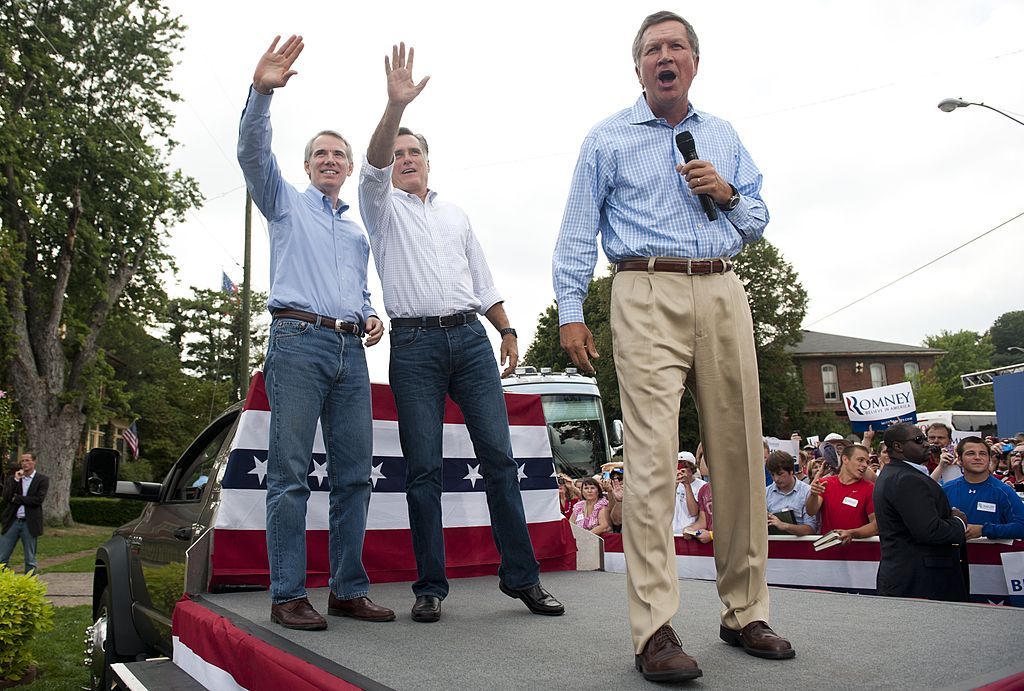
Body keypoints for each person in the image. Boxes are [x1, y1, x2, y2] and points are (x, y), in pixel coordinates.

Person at [552, 12, 792, 679]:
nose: (666, 56)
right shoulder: (606, 139)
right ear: (639, 69)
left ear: (693, 63)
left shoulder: (723, 135)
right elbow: (576, 232)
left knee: (741, 452)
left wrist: (728, 191)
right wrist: (571, 310)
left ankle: (746, 610)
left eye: (677, 47)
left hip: (721, 288)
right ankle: (654, 627)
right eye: (653, 48)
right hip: (644, 286)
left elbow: (756, 220)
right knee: (654, 461)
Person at [358, 42, 563, 624]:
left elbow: (483, 277)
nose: (404, 158)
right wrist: (394, 108)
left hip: (472, 341)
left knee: (499, 460)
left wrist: (507, 328)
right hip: (416, 347)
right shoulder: (381, 208)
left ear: (428, 160)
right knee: (423, 469)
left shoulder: (457, 214)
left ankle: (522, 580)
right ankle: (430, 587)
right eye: (397, 153)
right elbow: (371, 165)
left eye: (413, 151)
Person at [237, 35, 393, 631]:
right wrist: (261, 95)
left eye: (339, 155)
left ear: (349, 169)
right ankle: (288, 593)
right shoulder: (284, 204)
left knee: (355, 474)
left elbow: (357, 289)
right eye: (320, 154)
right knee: (291, 474)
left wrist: (369, 312)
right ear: (307, 166)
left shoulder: (357, 234)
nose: (330, 161)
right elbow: (254, 154)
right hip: (297, 344)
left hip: (351, 351)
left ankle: (348, 589)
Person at [874, 423, 968, 601]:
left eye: (924, 438)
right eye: (918, 440)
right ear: (898, 446)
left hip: (910, 577)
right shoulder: (906, 479)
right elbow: (929, 531)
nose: (926, 443)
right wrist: (959, 522)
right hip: (920, 582)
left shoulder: (897, 473)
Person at [942, 437, 1024, 540]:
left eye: (982, 454)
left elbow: (1021, 527)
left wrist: (984, 530)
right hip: (954, 554)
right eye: (970, 453)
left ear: (989, 459)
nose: (977, 457)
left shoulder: (1003, 491)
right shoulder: (946, 490)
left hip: (989, 554)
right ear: (959, 460)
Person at [805, 444, 877, 543]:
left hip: (858, 553)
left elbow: (875, 526)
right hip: (828, 552)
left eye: (867, 462)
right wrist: (813, 495)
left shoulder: (870, 488)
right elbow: (811, 511)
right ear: (845, 459)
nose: (865, 465)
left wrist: (852, 533)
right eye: (860, 460)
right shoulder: (825, 483)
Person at [0, 453, 49, 574]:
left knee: (30, 558)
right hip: (13, 521)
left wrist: (17, 499)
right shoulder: (14, 479)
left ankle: (30, 585)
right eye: (22, 461)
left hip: (30, 523)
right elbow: (6, 497)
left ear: (34, 462)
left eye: (27, 460)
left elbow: (37, 500)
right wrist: (16, 480)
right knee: (2, 557)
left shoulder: (41, 480)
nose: (24, 463)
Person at [764, 452, 817, 536]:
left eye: (780, 474)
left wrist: (784, 526)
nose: (776, 479)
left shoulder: (807, 492)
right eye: (772, 475)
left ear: (791, 471)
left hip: (799, 547)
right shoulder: (766, 493)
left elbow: (811, 529)